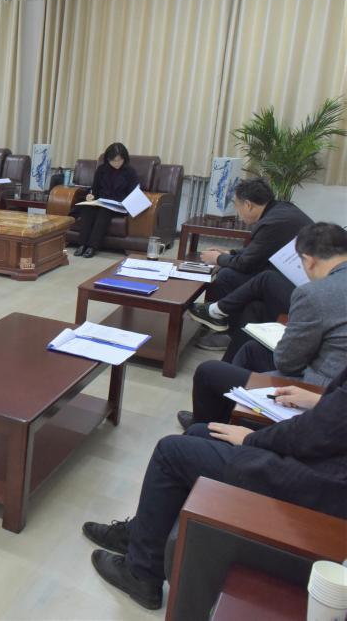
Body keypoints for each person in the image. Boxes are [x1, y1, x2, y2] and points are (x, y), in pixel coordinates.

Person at [83, 365, 347, 610]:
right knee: (200, 432)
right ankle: (141, 535)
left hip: (318, 484)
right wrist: (321, 402)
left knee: (170, 452)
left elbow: (315, 433)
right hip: (323, 468)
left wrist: (252, 440)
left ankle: (141, 574)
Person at [180, 223, 347, 428]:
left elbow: (287, 363)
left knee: (208, 371)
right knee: (251, 349)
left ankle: (203, 429)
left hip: (324, 389)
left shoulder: (314, 293)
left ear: (308, 260)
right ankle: (223, 419)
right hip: (332, 368)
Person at [195, 178, 312, 351]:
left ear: (248, 205)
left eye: (237, 206)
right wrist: (230, 253)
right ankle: (222, 320)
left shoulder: (272, 223)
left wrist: (217, 259)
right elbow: (260, 251)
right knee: (239, 281)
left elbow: (246, 264)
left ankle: (226, 328)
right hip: (294, 276)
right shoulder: (282, 210)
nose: (237, 212)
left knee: (227, 276)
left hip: (299, 287)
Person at [72, 142, 139, 258]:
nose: (116, 163)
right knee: (87, 208)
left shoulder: (130, 172)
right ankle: (82, 244)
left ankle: (92, 246)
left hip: (118, 205)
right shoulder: (101, 170)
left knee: (104, 211)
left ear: (124, 158)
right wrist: (90, 196)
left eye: (119, 160)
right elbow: (95, 190)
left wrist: (123, 202)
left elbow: (133, 193)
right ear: (108, 159)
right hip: (101, 201)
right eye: (113, 160)